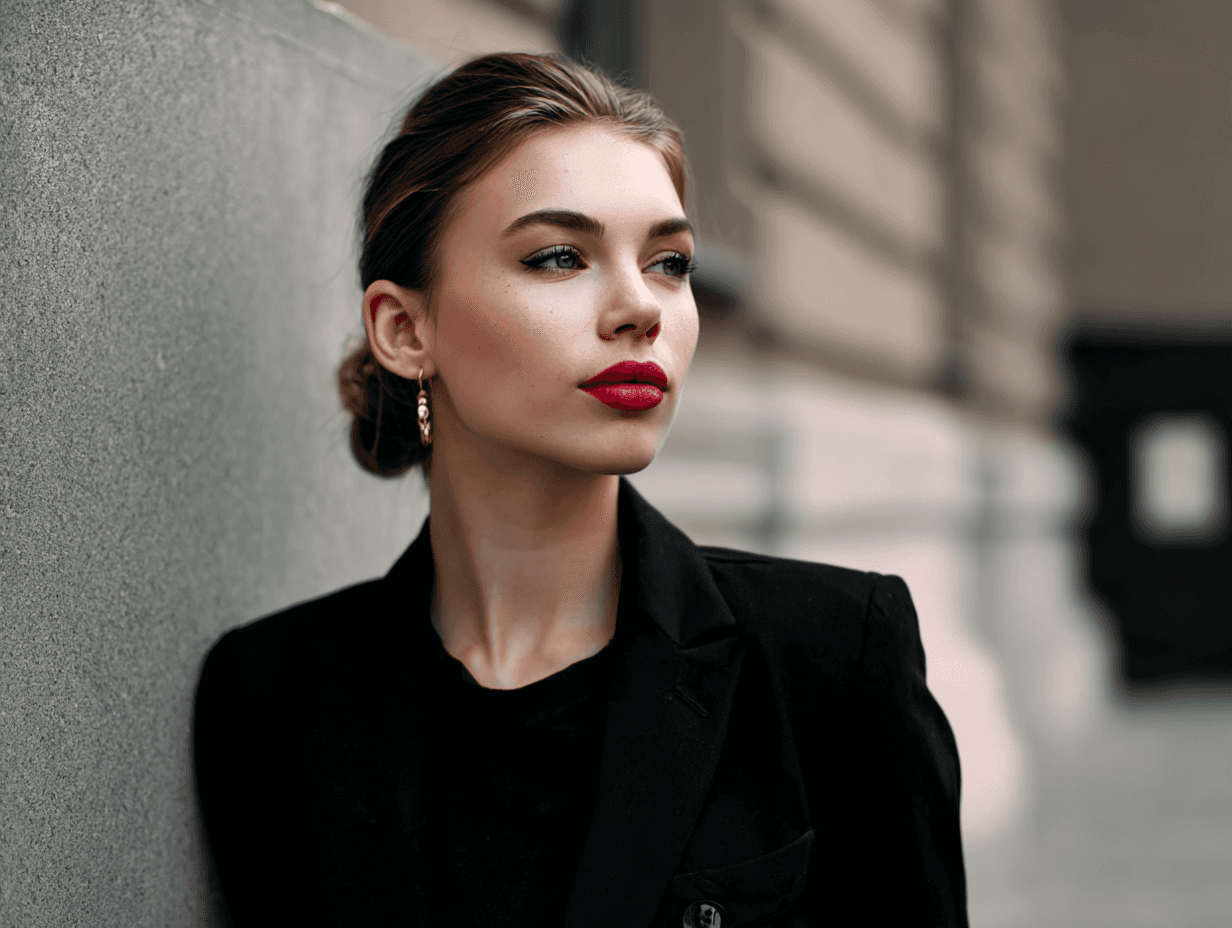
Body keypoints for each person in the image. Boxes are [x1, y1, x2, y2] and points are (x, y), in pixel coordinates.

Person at [193, 52, 968, 928]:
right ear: (405, 329)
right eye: (560, 257)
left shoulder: (831, 658)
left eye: (670, 262)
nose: (642, 308)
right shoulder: (272, 698)